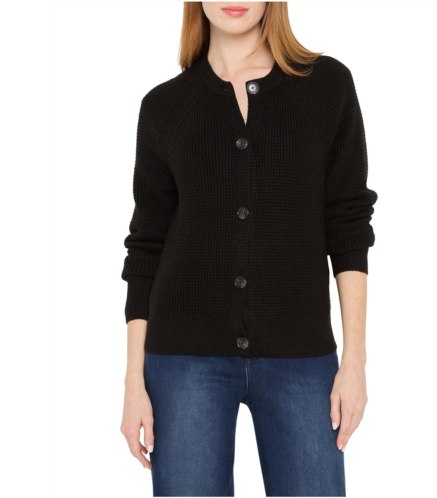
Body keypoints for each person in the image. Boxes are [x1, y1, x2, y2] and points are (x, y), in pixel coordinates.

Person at [120, 2, 377, 496]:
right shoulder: (164, 107)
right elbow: (146, 247)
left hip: (302, 355)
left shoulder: (327, 86)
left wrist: (355, 361)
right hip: (182, 359)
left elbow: (348, 225)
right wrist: (134, 382)